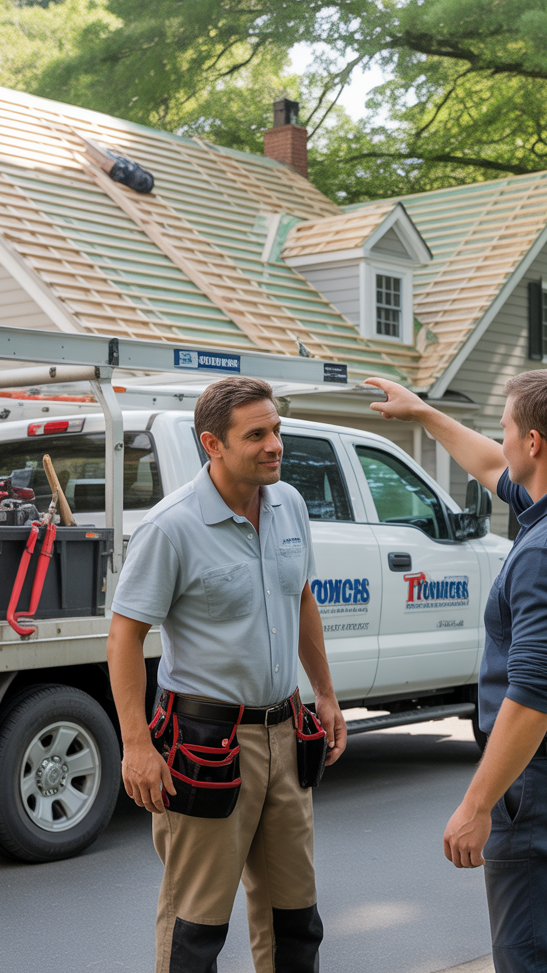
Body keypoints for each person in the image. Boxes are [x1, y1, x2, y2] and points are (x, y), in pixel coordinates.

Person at [365, 369, 547, 973]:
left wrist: (477, 804)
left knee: (535, 961)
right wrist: (424, 415)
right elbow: (493, 466)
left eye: (508, 428)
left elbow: (534, 694)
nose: (501, 439)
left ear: (534, 442)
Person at [107, 376, 347, 973]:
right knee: (196, 929)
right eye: (257, 435)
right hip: (205, 744)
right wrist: (136, 744)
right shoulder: (171, 527)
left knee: (297, 921)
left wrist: (326, 694)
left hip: (287, 734)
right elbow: (125, 635)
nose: (275, 445)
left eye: (277, 430)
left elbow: (303, 599)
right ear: (212, 443)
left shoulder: (289, 503)